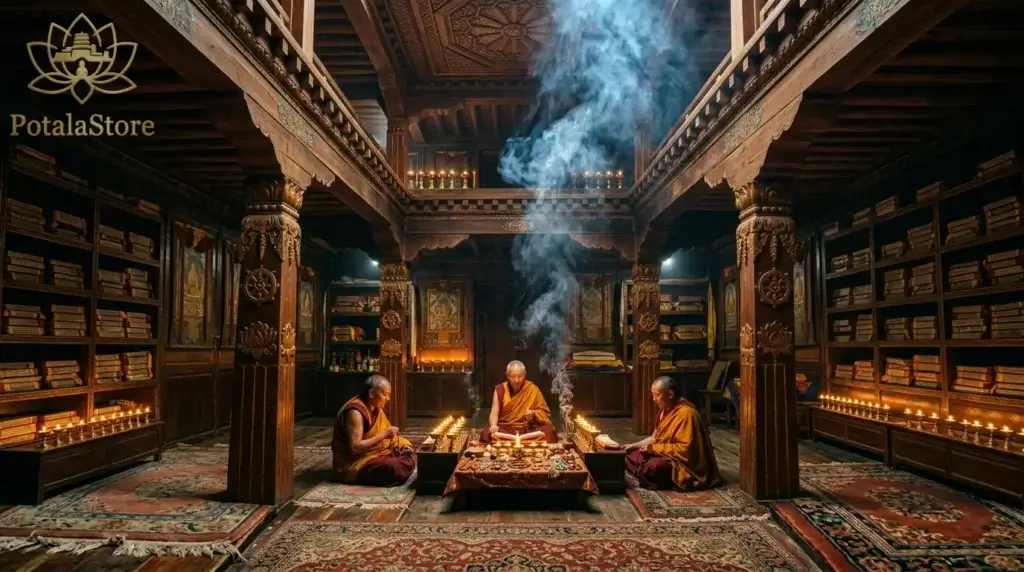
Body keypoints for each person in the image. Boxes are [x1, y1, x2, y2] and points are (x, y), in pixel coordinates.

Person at [624, 376, 723, 491]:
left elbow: (685, 450)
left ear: (670, 394)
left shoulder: (687, 414)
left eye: (657, 395)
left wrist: (653, 449)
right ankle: (646, 474)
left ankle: (647, 474)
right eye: (653, 395)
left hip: (683, 464)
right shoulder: (664, 410)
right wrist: (633, 445)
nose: (653, 399)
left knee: (655, 467)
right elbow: (655, 437)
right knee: (628, 456)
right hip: (664, 454)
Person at [331, 375, 416, 486]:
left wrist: (399, 446)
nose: (388, 399)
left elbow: (388, 440)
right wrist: (384, 435)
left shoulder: (375, 408)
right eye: (385, 394)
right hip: (354, 461)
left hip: (374, 454)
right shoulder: (355, 412)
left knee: (411, 453)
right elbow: (355, 448)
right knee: (395, 468)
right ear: (371, 393)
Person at [479, 360, 558, 443]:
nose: (516, 380)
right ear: (507, 375)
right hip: (505, 430)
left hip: (528, 430)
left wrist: (534, 414)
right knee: (486, 433)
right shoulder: (500, 389)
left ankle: (508, 442)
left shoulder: (532, 388)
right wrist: (493, 425)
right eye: (513, 376)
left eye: (520, 376)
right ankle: (527, 442)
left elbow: (545, 413)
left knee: (549, 430)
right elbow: (494, 412)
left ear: (525, 374)